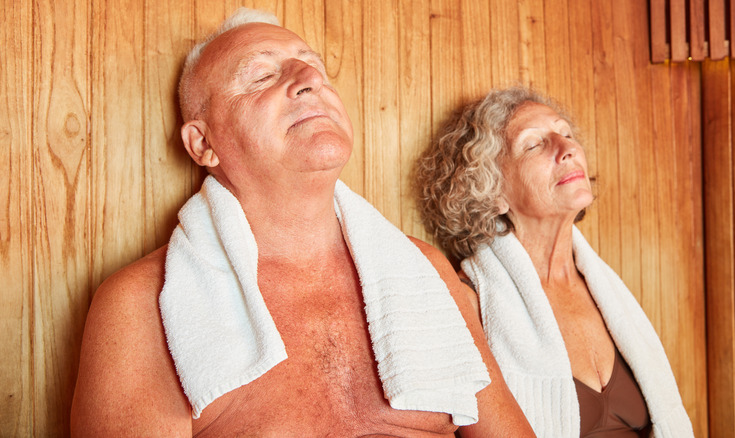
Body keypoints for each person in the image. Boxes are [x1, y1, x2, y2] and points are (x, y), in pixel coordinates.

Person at [70, 8, 534, 437]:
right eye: (261, 75)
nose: (310, 78)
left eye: (314, 66)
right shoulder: (142, 304)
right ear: (202, 143)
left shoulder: (425, 270)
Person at [415, 86, 694, 437]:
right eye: (534, 144)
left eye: (566, 134)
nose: (568, 149)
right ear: (492, 192)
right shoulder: (471, 303)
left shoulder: (607, 294)